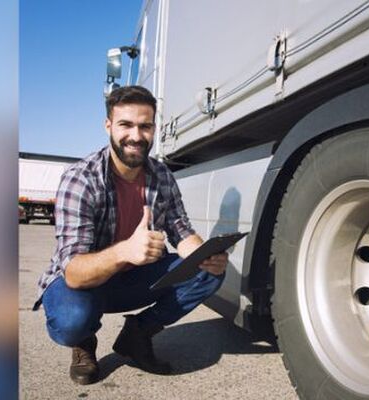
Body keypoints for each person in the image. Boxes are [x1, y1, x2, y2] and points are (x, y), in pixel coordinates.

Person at [32, 85, 229, 384]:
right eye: (126, 125)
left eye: (145, 126)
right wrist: (126, 250)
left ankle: (137, 334)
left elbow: (181, 229)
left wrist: (205, 256)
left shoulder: (161, 176)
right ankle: (84, 342)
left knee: (209, 273)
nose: (136, 136)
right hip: (86, 284)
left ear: (153, 128)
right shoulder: (82, 179)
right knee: (72, 320)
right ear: (108, 125)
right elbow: (73, 272)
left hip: (134, 278)